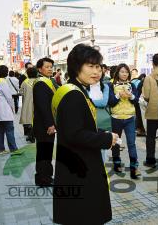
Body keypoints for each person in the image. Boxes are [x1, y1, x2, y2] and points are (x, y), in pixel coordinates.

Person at [52, 44, 118, 224]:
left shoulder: (77, 89)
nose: (96, 71)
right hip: (80, 167)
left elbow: (77, 126)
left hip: (75, 163)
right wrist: (106, 138)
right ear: (76, 67)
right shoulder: (73, 94)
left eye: (98, 67)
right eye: (90, 66)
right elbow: (75, 134)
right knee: (84, 215)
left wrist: (102, 132)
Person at [108, 63, 141, 179]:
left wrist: (130, 95)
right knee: (116, 142)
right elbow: (110, 102)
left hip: (130, 118)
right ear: (118, 73)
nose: (124, 74)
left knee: (131, 143)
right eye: (122, 71)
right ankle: (117, 163)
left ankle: (134, 167)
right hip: (116, 118)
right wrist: (118, 95)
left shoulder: (132, 85)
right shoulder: (110, 85)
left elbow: (136, 100)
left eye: (126, 72)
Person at [33, 57, 57, 186]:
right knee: (44, 152)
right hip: (44, 126)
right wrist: (50, 124)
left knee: (46, 151)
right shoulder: (41, 83)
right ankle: (44, 179)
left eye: (51, 67)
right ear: (39, 69)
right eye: (47, 67)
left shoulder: (48, 81)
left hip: (46, 124)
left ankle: (44, 176)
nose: (49, 69)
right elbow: (43, 106)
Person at [0, 65, 22, 156]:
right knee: (9, 129)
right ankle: (13, 149)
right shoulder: (3, 82)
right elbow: (9, 97)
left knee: (0, 130)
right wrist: (12, 107)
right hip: (5, 110)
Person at [89, 67, 111, 161]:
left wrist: (89, 101)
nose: (97, 73)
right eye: (95, 70)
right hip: (88, 119)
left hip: (102, 120)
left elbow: (104, 102)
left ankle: (101, 170)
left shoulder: (105, 86)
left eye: (99, 71)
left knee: (102, 148)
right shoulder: (85, 86)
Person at [19, 67, 38, 143]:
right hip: (37, 103)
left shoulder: (25, 82)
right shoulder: (38, 81)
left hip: (27, 103)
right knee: (36, 119)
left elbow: (21, 92)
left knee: (29, 120)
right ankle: (33, 135)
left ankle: (30, 135)